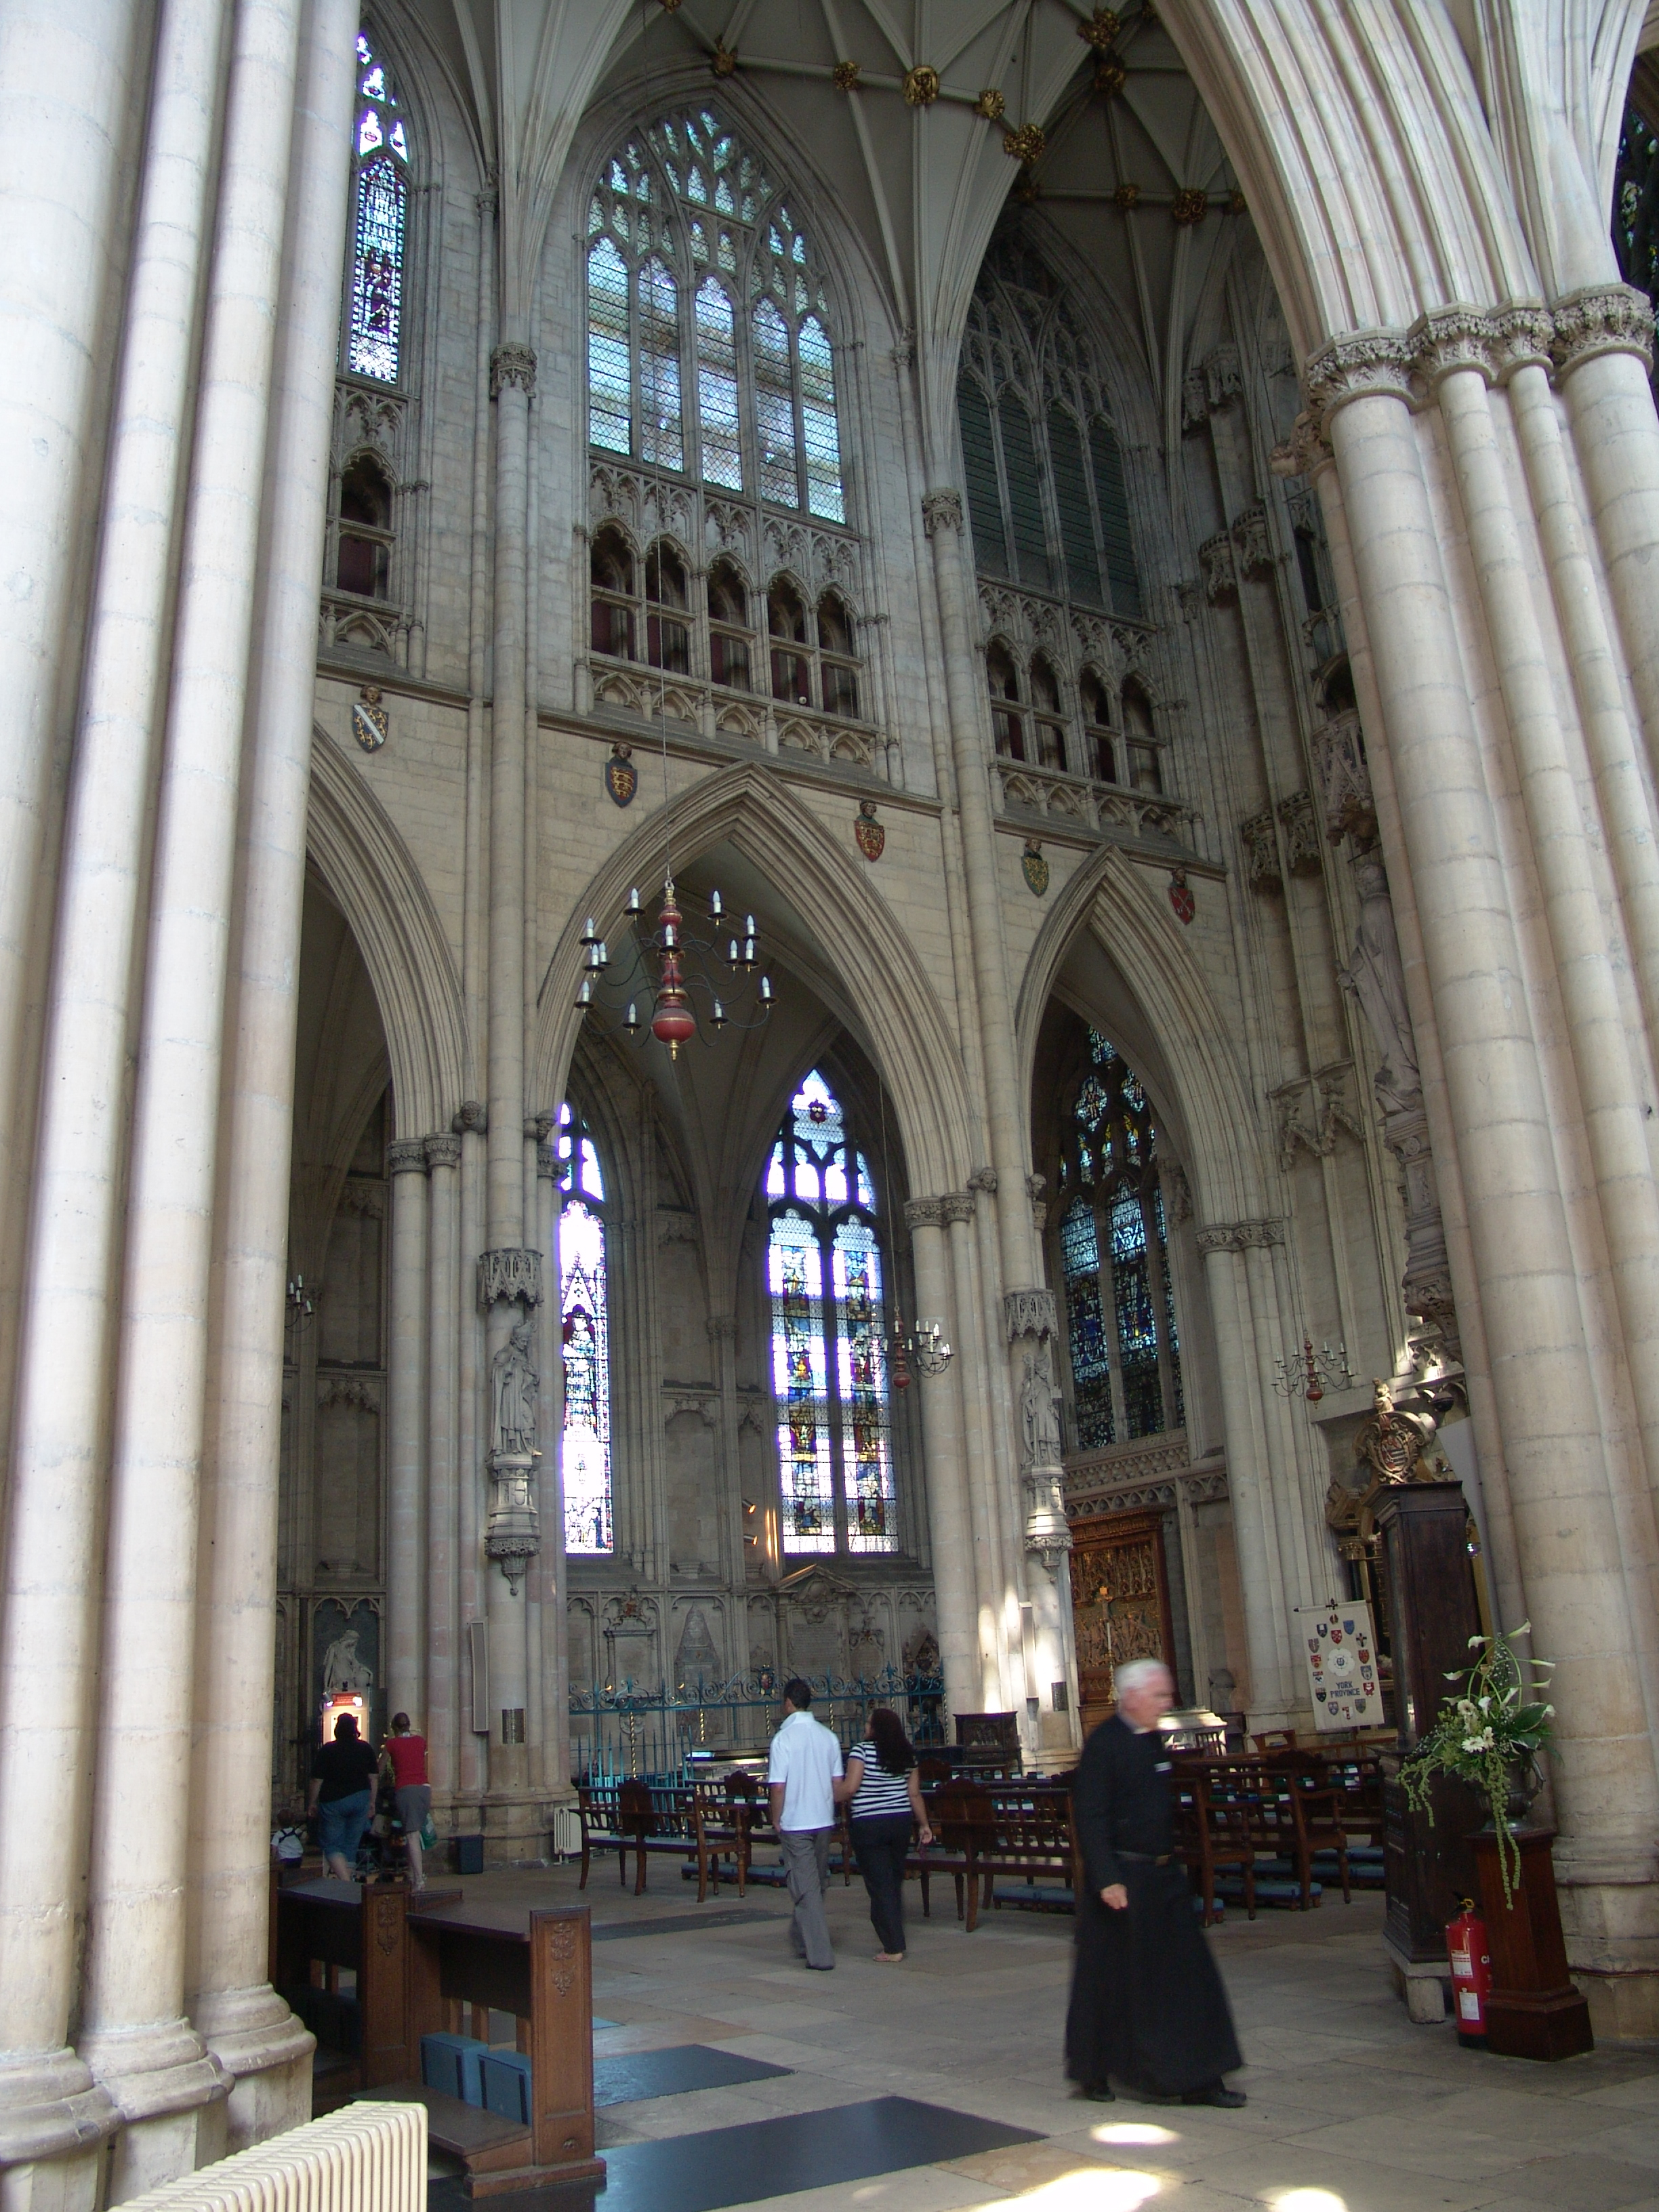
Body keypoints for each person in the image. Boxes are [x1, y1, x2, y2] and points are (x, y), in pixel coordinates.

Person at [1066, 1658, 1246, 2108]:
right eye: (1159, 1696)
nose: (1167, 1703)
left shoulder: (1151, 1742)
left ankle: (1202, 2077)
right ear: (1131, 1696)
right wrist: (1106, 1879)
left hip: (1161, 1876)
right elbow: (1090, 1814)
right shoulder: (1105, 1744)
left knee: (1188, 1978)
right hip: (1122, 1882)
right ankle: (1095, 2072)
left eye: (1167, 1695)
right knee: (1108, 1983)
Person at [834, 1704, 933, 1962]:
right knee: (892, 1879)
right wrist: (924, 1825)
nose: (865, 1727)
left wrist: (830, 1793)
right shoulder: (906, 1754)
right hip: (899, 1823)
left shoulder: (862, 1751)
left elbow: (851, 1787)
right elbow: (914, 1794)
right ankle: (892, 1935)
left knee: (879, 1884)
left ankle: (893, 1946)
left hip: (870, 1824)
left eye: (869, 1724)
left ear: (876, 1728)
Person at [766, 1677, 844, 1970]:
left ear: (788, 1703)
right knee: (816, 1883)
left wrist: (776, 1817)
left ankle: (821, 1956)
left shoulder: (783, 1740)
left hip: (797, 1822)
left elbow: (778, 1787)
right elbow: (837, 1783)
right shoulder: (829, 1738)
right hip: (823, 1819)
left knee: (807, 1886)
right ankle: (801, 1939)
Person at [307, 1713, 380, 1879]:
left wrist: (312, 1803)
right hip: (360, 1798)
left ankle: (345, 1882)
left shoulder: (327, 1750)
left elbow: (317, 1780)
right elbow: (374, 1778)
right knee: (351, 1845)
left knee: (331, 1845)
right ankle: (349, 1881)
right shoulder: (365, 1748)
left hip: (334, 1801)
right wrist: (372, 1802)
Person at [381, 1711, 431, 1892]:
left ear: (394, 1728)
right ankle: (411, 1874)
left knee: (412, 1835)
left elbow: (381, 1768)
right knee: (415, 1833)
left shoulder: (392, 1744)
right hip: (424, 1789)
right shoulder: (420, 1741)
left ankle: (419, 1880)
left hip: (406, 1789)